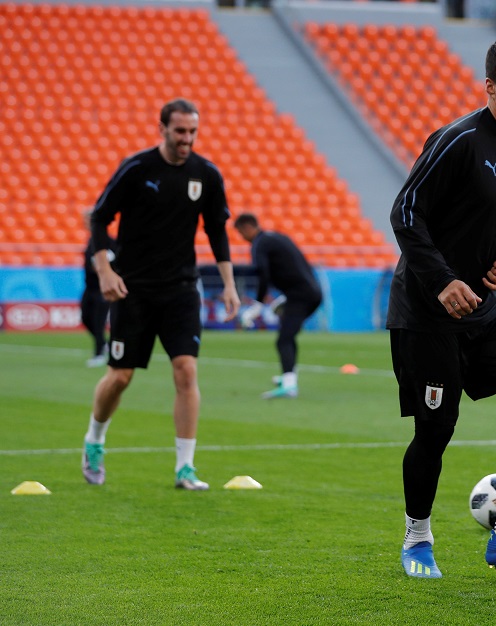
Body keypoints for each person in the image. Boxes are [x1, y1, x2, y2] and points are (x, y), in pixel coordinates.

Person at [386, 37, 496, 579]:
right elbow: (405, 212)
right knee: (436, 431)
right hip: (426, 314)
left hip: (482, 313)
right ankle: (417, 538)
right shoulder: (457, 140)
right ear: (491, 87)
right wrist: (442, 281)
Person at [82, 98, 240, 490]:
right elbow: (100, 217)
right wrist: (105, 270)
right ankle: (94, 440)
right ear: (163, 129)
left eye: (192, 132)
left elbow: (217, 231)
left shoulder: (206, 174)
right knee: (120, 377)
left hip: (182, 289)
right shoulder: (137, 168)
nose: (186, 139)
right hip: (132, 290)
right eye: (180, 131)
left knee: (186, 370)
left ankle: (185, 467)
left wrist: (229, 285)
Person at [233, 213, 323, 399]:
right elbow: (297, 266)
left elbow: (263, 273)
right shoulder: (277, 237)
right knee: (288, 335)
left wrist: (257, 304)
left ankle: (290, 386)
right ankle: (288, 377)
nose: (242, 237)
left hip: (300, 296)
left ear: (248, 227)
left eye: (241, 233)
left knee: (284, 339)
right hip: (310, 293)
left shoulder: (260, 244)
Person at [81, 210, 115, 368]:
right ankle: (104, 344)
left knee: (98, 321)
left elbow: (115, 259)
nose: (86, 222)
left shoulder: (107, 241)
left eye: (88, 219)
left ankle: (99, 354)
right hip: (89, 287)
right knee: (86, 318)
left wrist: (103, 267)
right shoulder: (91, 241)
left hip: (103, 288)